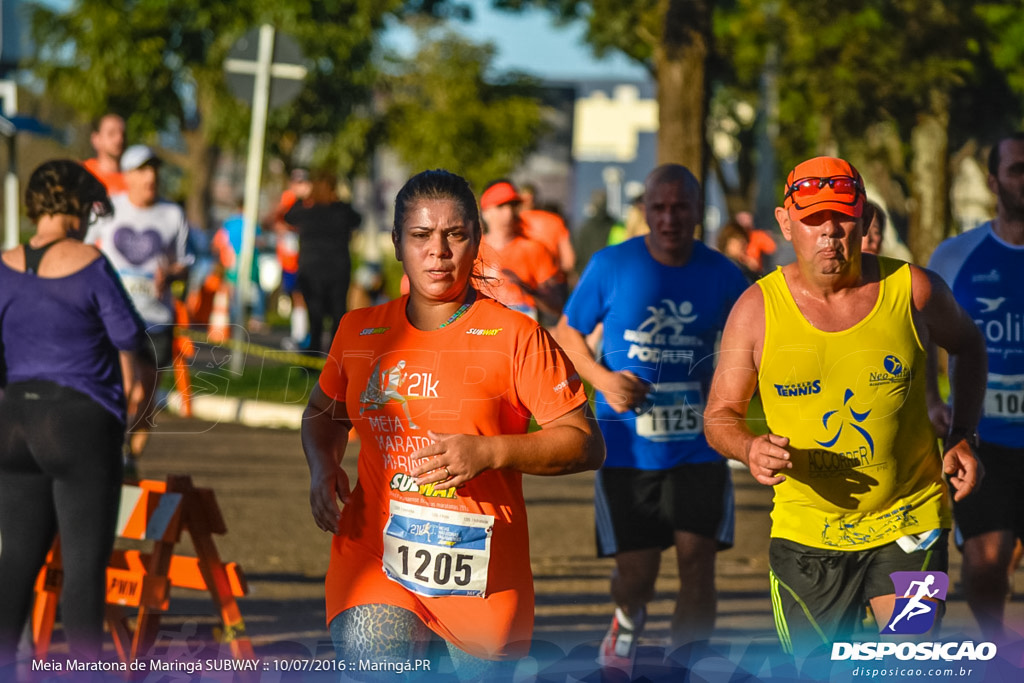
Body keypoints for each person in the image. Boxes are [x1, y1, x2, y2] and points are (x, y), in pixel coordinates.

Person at [301, 169, 604, 679]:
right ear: (397, 243)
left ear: (477, 241)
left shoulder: (517, 336)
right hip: (374, 555)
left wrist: (490, 453)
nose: (437, 251)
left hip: (482, 575)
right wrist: (322, 465)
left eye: (455, 235)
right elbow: (323, 415)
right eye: (420, 235)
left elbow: (584, 444)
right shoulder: (360, 329)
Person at [703, 155, 987, 656]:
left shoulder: (914, 290)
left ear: (864, 220)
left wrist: (964, 434)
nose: (830, 231)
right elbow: (719, 416)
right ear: (786, 222)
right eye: (813, 219)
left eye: (843, 216)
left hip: (911, 521)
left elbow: (968, 345)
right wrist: (748, 448)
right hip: (807, 536)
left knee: (909, 660)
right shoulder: (756, 310)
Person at [555, 164, 749, 666]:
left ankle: (683, 665)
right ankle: (626, 617)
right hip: (627, 448)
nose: (668, 219)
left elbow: (755, 341)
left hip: (699, 445)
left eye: (680, 208)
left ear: (697, 213)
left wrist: (729, 387)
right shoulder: (611, 265)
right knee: (637, 576)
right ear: (644, 212)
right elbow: (566, 335)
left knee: (696, 559)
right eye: (658, 208)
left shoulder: (724, 274)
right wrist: (604, 380)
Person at [0, 160, 146, 666]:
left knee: (14, 565)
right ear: (78, 207)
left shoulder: (3, 263)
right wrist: (139, 419)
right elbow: (132, 339)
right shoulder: (88, 261)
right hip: (79, 423)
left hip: (14, 422)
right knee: (83, 576)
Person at [926, 132, 1024, 643]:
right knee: (987, 564)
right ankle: (997, 649)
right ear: (993, 182)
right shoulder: (955, 256)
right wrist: (931, 401)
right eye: (1017, 170)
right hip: (984, 441)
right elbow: (921, 333)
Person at [86, 144, 191, 475]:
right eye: (143, 170)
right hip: (116, 315)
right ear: (127, 176)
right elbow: (84, 250)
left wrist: (172, 273)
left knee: (147, 398)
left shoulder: (172, 215)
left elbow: (185, 262)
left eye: (154, 170)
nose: (151, 177)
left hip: (157, 317)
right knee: (128, 388)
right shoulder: (108, 209)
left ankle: (130, 456)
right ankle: (110, 449)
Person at [283, 170, 362, 354]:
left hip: (311, 268)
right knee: (337, 312)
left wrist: (300, 198)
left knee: (315, 315)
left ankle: (313, 353)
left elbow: (288, 216)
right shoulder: (342, 210)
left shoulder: (306, 211)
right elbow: (357, 219)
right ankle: (335, 354)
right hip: (338, 268)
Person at [477, 179, 565, 321]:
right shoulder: (471, 250)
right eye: (501, 206)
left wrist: (529, 289)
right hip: (480, 335)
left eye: (513, 206)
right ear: (485, 212)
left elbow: (556, 306)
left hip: (520, 335)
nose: (509, 213)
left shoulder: (534, 250)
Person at [519, 182, 576, 276]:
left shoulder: (513, 222)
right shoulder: (555, 221)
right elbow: (569, 262)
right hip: (551, 279)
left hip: (522, 280)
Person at [83, 113, 126, 195]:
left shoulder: (134, 180)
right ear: (96, 139)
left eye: (123, 134)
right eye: (111, 134)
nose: (119, 139)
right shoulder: (81, 174)